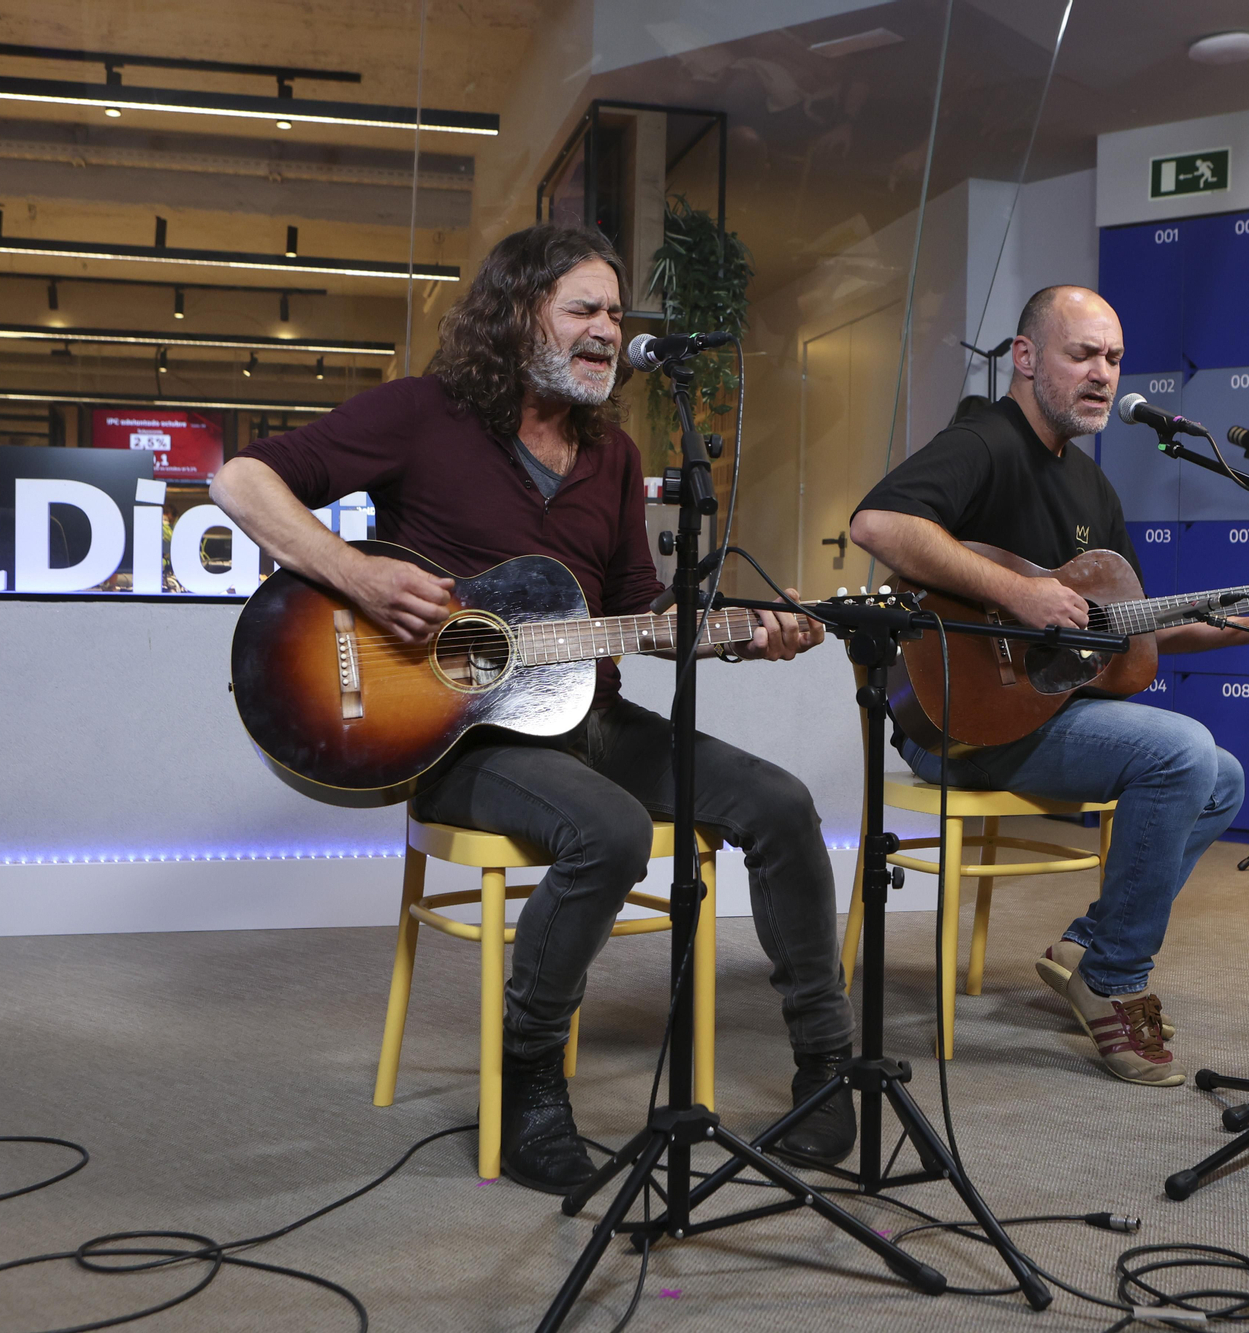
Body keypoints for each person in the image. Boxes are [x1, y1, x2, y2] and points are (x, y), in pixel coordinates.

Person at [212, 225, 856, 1191]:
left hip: (584, 713)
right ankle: (527, 1082)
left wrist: (742, 630)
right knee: (612, 830)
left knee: (780, 801)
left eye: (615, 313)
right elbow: (240, 479)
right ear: (520, 316)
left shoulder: (613, 454)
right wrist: (359, 573)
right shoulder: (422, 414)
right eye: (585, 309)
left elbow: (646, 614)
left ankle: (826, 1066)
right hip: (457, 738)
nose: (608, 329)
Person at [848, 285, 1249, 1088]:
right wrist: (1021, 594)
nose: (1103, 373)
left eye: (1115, 359)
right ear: (1025, 358)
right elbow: (878, 525)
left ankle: (1090, 945)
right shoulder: (984, 441)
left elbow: (1136, 626)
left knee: (1221, 778)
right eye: (1082, 353)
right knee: (1181, 751)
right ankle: (1114, 976)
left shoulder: (1093, 489)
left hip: (1037, 718)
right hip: (957, 721)